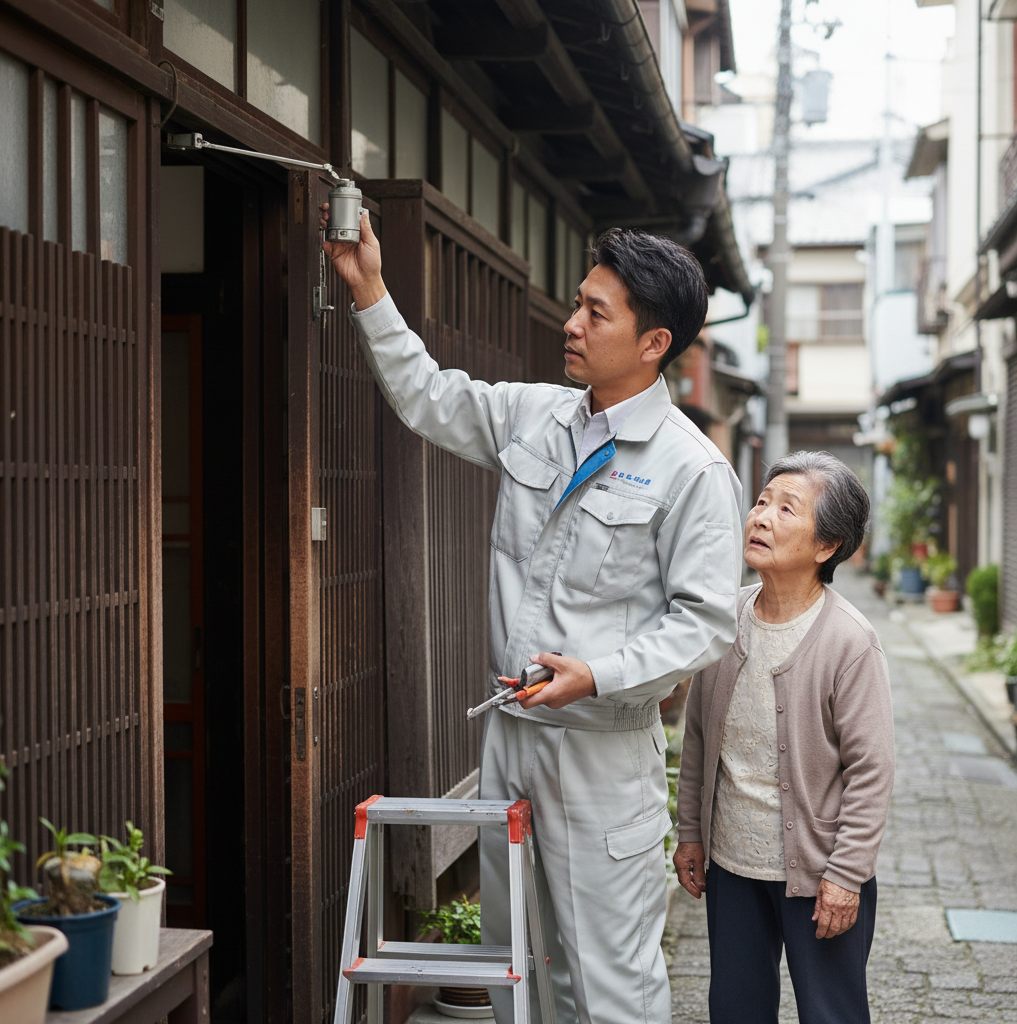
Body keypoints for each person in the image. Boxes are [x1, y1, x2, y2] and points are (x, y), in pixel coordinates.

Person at [324, 207, 743, 1024]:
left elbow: (704, 623)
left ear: (654, 342)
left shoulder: (692, 470)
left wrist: (597, 675)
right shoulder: (535, 415)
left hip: (599, 752)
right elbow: (428, 396)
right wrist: (369, 287)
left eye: (597, 312)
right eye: (579, 302)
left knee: (609, 988)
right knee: (517, 970)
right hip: (510, 737)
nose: (572, 322)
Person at [674, 450, 895, 1024]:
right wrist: (690, 833)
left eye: (787, 509)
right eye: (761, 501)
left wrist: (846, 875)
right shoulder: (724, 620)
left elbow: (871, 771)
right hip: (732, 866)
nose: (761, 517)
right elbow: (697, 737)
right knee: (735, 1009)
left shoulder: (849, 641)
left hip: (820, 873)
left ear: (827, 546)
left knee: (831, 1013)